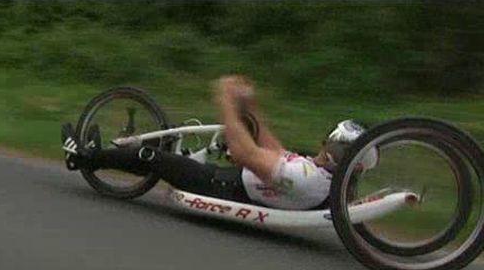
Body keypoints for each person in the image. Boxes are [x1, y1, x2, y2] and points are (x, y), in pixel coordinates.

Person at [61, 75, 377, 210]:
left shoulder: (308, 180)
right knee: (231, 133)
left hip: (217, 186)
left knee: (151, 157)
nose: (325, 146)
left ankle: (84, 157)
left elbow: (244, 152)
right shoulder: (319, 177)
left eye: (334, 145)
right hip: (238, 179)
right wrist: (250, 107)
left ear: (341, 156)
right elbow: (276, 151)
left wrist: (224, 98)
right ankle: (111, 151)